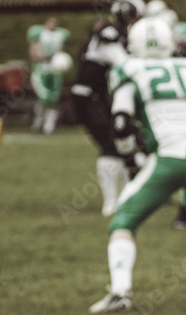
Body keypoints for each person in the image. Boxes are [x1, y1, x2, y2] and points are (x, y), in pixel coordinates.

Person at [89, 17, 186, 313]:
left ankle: (120, 292)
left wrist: (131, 159)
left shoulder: (129, 70)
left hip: (171, 154)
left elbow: (120, 123)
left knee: (123, 221)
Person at [72, 0, 143, 216]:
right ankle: (112, 202)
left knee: (124, 144)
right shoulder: (110, 34)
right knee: (112, 143)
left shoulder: (115, 34)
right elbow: (124, 64)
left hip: (97, 97)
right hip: (88, 97)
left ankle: (126, 197)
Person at [28, 17, 70, 135]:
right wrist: (44, 57)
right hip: (41, 70)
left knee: (54, 98)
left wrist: (60, 61)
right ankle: (38, 121)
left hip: (55, 71)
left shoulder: (60, 35)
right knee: (44, 97)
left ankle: (49, 124)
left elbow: (60, 52)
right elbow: (33, 54)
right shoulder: (39, 34)